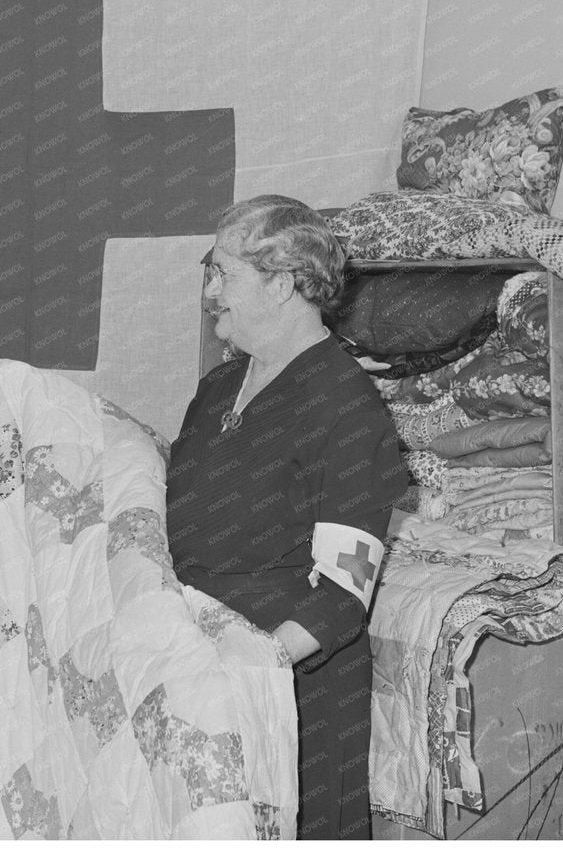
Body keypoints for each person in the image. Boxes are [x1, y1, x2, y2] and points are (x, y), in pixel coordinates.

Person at [165, 194, 407, 840]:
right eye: (208, 270)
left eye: (223, 273)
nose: (210, 291)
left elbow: (341, 597)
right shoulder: (218, 387)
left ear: (281, 284)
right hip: (199, 676)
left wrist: (253, 669)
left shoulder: (347, 408)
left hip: (290, 698)